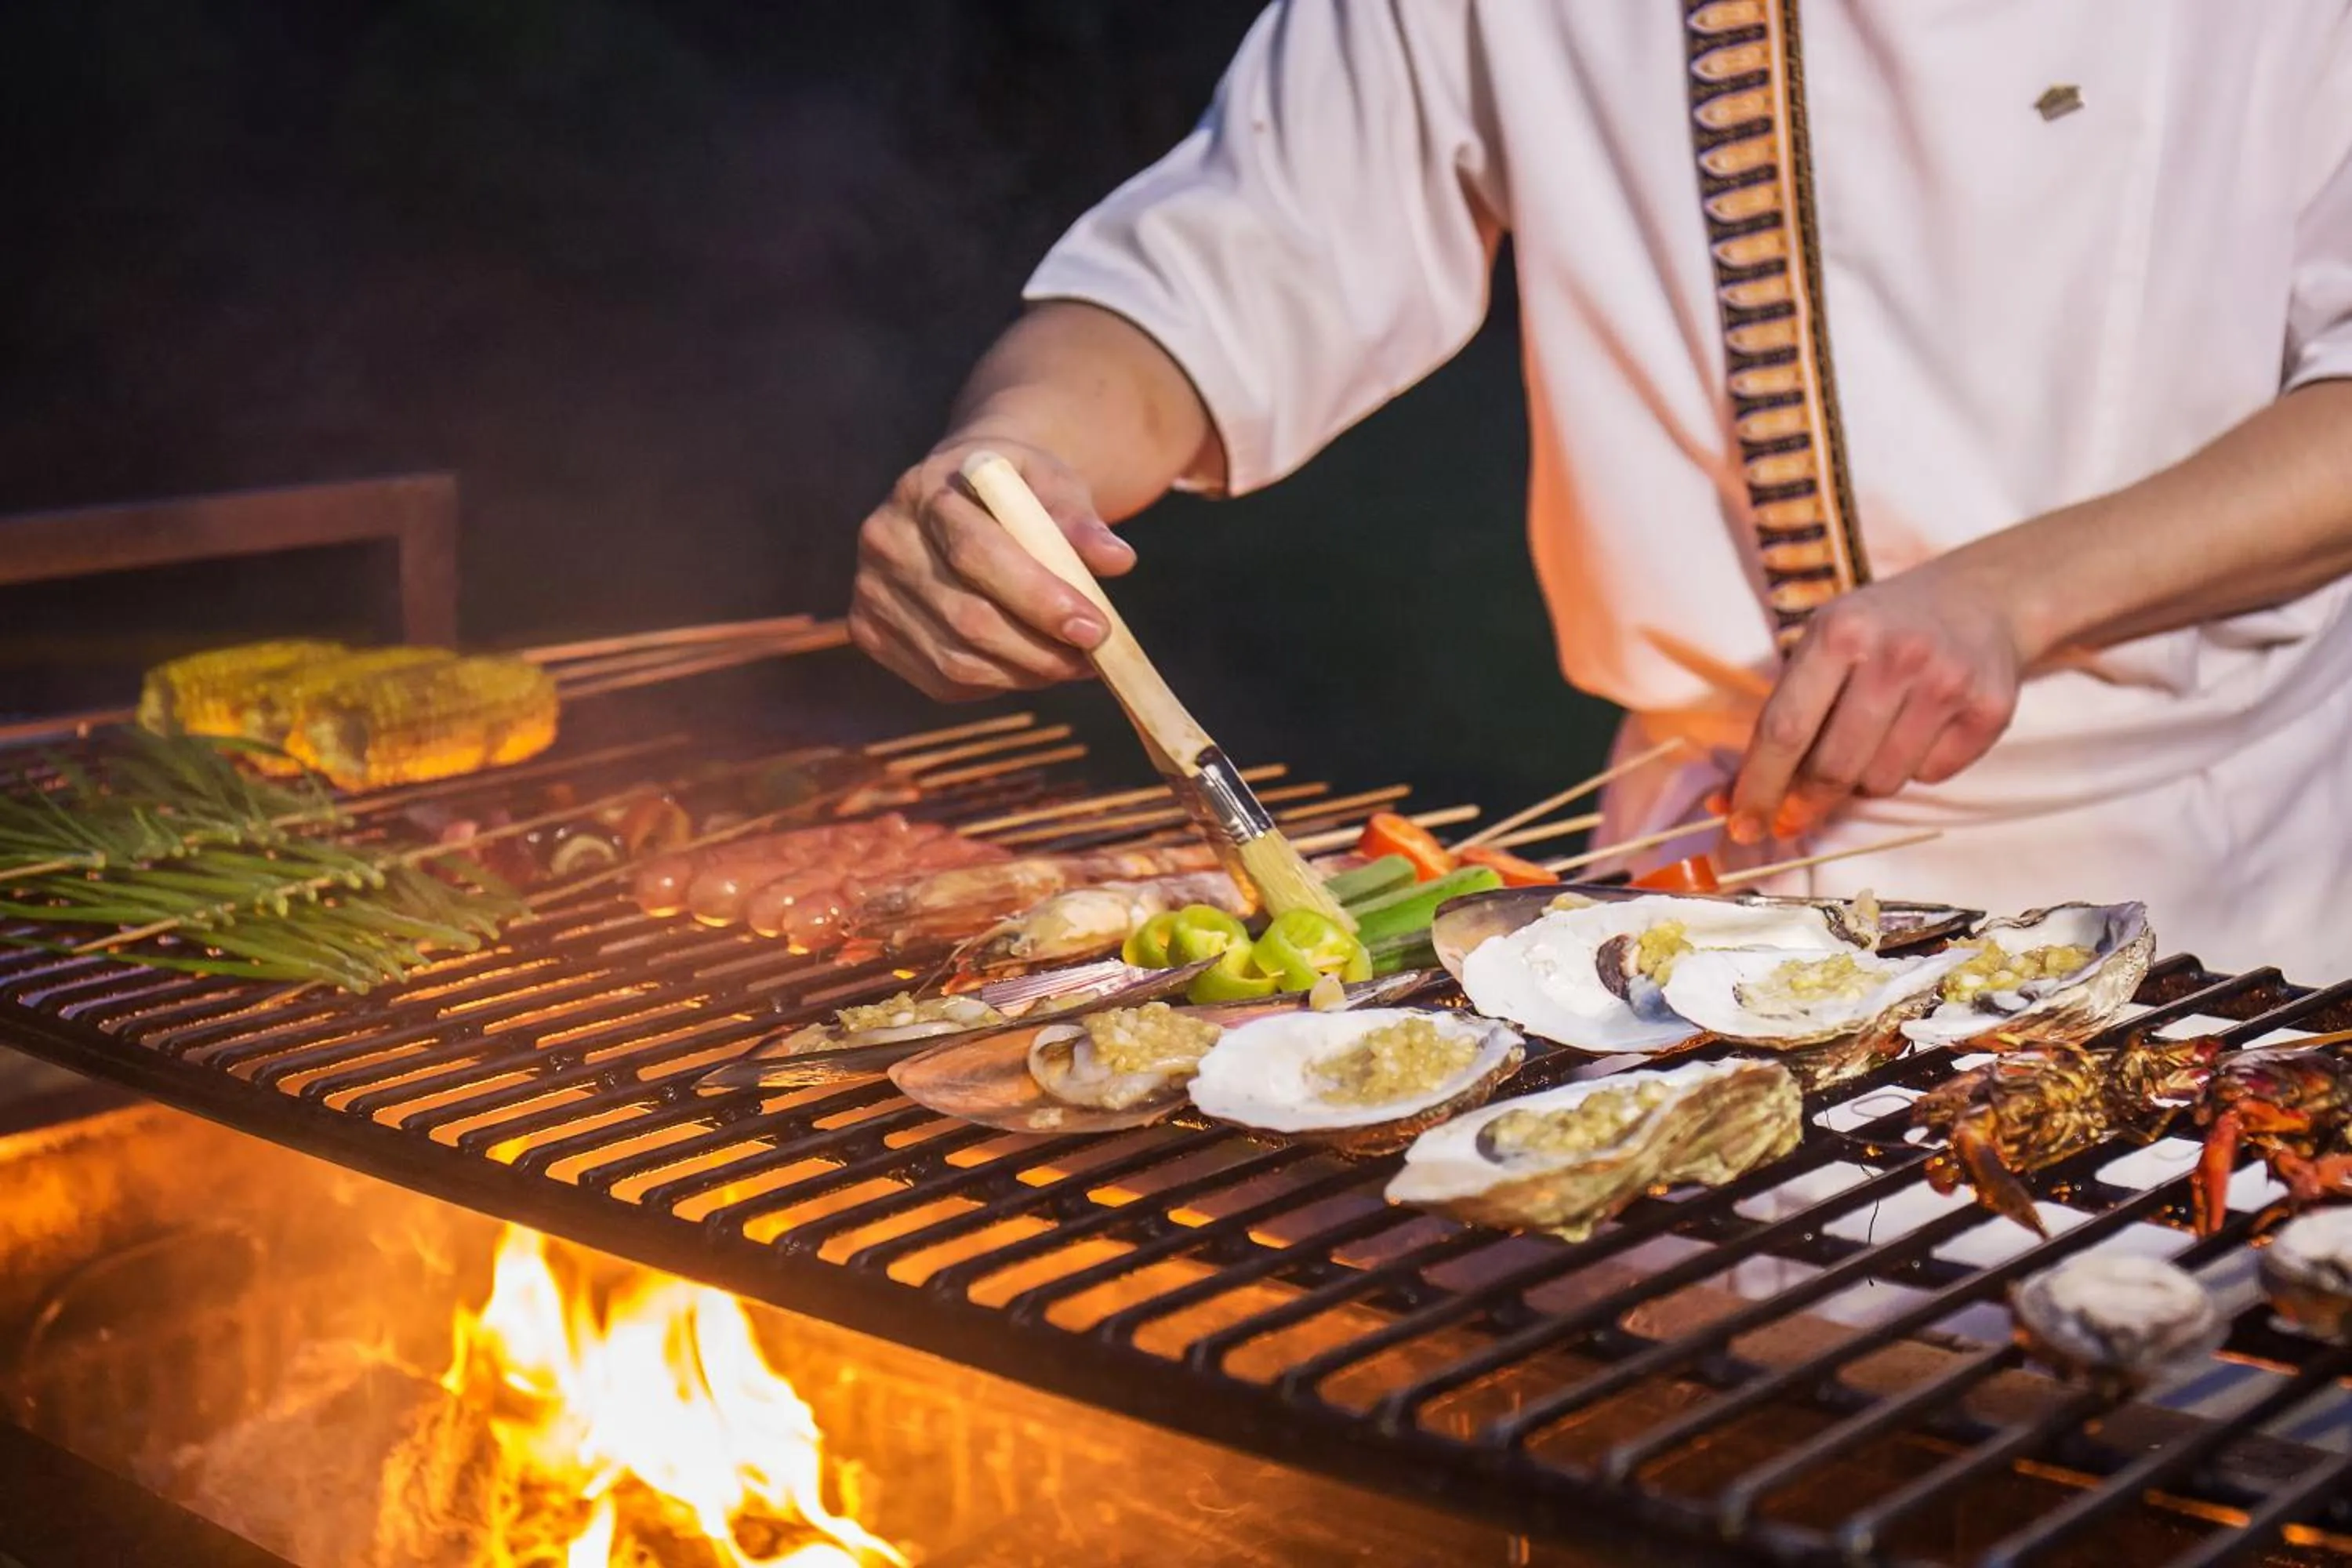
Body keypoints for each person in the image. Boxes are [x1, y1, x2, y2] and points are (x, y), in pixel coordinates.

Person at [848, 2, 2352, 978]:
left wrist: (2009, 596)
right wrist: (1017, 457)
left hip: (2200, 885)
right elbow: (1227, 261)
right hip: (1692, 869)